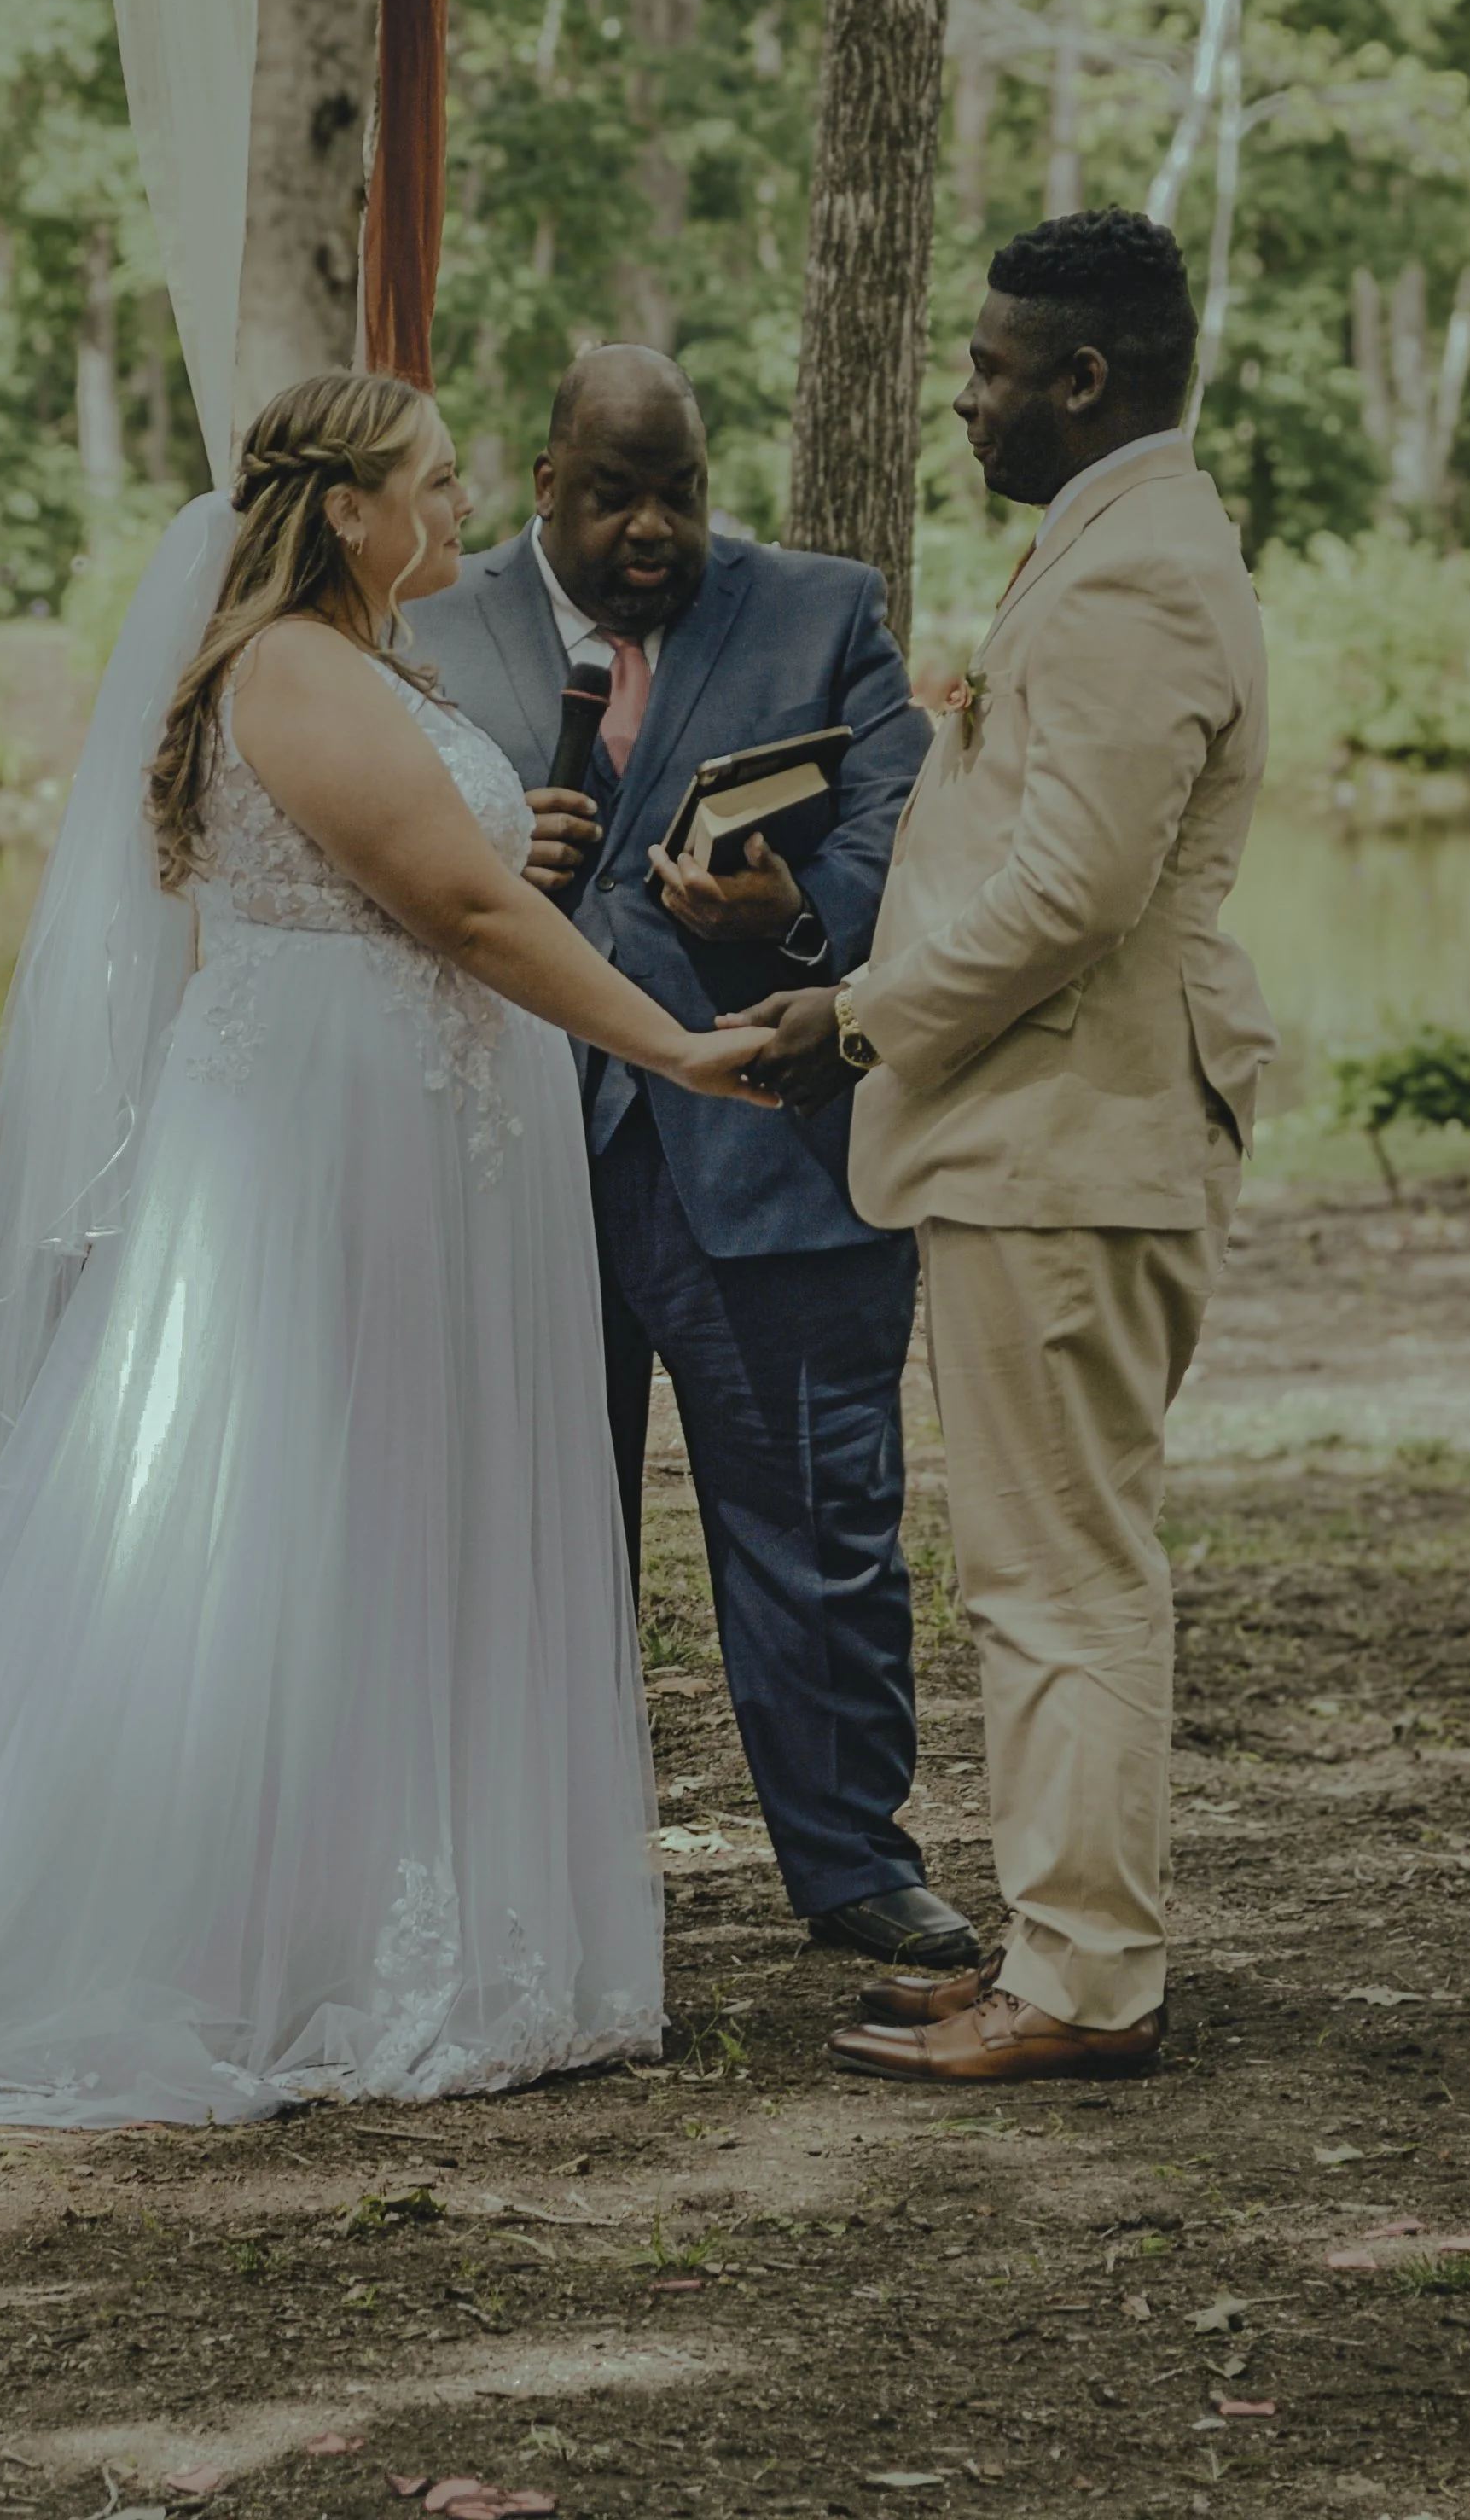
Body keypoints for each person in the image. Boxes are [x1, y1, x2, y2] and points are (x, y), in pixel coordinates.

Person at [0, 371, 777, 2125]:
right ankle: (291, 1943)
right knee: (312, 1510)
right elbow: (461, 908)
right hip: (335, 1143)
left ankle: (395, 1915)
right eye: (433, 483)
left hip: (401, 1125)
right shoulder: (298, 668)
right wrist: (678, 1044)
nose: (459, 513)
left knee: (388, 1504)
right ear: (346, 509)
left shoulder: (358, 659)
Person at [734, 212, 1279, 2081]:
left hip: (1072, 1134)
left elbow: (1072, 884)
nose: (961, 402)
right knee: (1038, 1564)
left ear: (1081, 379)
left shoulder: (1139, 575)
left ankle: (1083, 1981)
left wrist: (859, 1012)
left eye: (985, 370)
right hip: (1041, 1132)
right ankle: (1057, 1940)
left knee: (1062, 1571)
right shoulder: (1114, 542)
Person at [414, 345, 979, 1973]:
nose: (653, 526)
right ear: (543, 484)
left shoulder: (822, 608)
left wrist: (794, 922)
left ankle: (854, 1862)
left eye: (680, 491)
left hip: (766, 1149)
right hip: (509, 1158)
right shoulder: (424, 633)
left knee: (821, 1525)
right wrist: (482, 851)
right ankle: (538, 1867)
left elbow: (896, 825)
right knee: (518, 1533)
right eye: (616, 493)